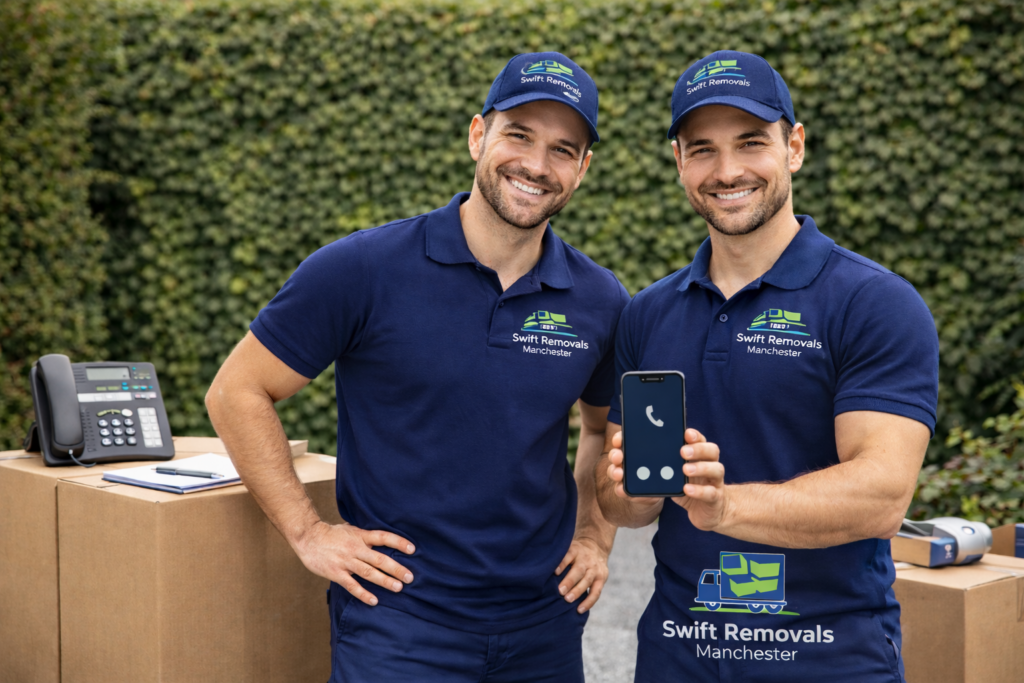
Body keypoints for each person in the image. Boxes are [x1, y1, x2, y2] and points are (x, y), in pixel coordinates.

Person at [206, 52, 629, 683]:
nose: (537, 165)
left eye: (562, 150)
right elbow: (237, 391)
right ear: (477, 135)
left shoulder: (600, 300)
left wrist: (594, 538)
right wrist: (308, 532)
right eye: (518, 135)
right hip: (399, 625)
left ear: (583, 168)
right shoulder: (362, 269)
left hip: (543, 624)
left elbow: (599, 429)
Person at [596, 50, 938, 683]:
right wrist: (624, 487)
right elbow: (627, 509)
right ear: (679, 162)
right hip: (678, 657)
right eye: (702, 149)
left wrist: (724, 507)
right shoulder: (647, 313)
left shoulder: (875, 303)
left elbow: (882, 496)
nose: (727, 171)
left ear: (794, 147)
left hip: (828, 659)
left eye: (751, 142)